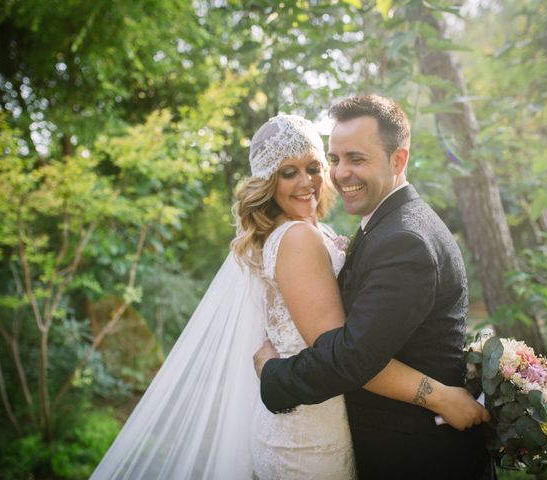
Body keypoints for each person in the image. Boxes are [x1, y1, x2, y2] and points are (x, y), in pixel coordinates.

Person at [91, 113, 486, 480]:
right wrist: (439, 397)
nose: (307, 182)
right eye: (288, 173)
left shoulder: (310, 229)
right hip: (310, 432)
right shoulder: (297, 237)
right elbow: (344, 354)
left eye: (314, 167)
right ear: (267, 182)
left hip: (320, 416)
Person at [254, 96, 492, 479]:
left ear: (398, 160)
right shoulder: (385, 225)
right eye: (334, 159)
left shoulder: (404, 239)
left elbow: (351, 356)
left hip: (413, 455)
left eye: (356, 159)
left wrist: (273, 375)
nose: (340, 173)